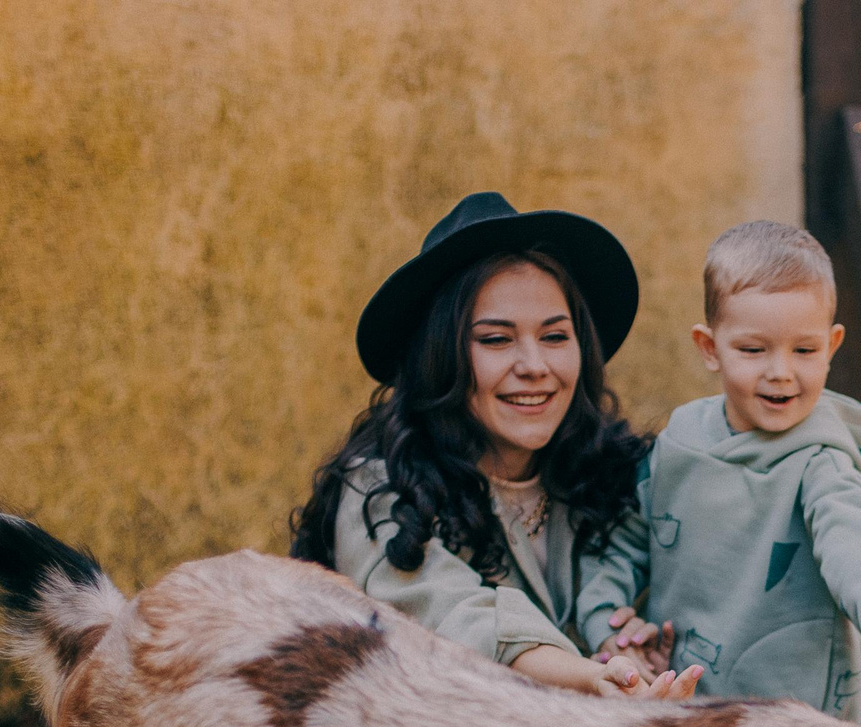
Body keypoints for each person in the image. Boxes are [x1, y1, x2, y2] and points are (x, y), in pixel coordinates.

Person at [293, 192, 699, 698]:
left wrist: (636, 654)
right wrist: (591, 679)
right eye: (496, 340)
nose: (533, 366)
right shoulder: (381, 491)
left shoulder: (615, 476)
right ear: (441, 357)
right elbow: (459, 617)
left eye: (554, 336)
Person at [577, 221, 861, 718]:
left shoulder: (823, 459)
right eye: (753, 349)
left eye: (804, 350)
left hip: (796, 726)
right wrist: (610, 629)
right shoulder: (679, 443)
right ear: (709, 348)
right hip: (679, 710)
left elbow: (859, 552)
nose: (781, 371)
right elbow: (623, 543)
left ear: (832, 345)